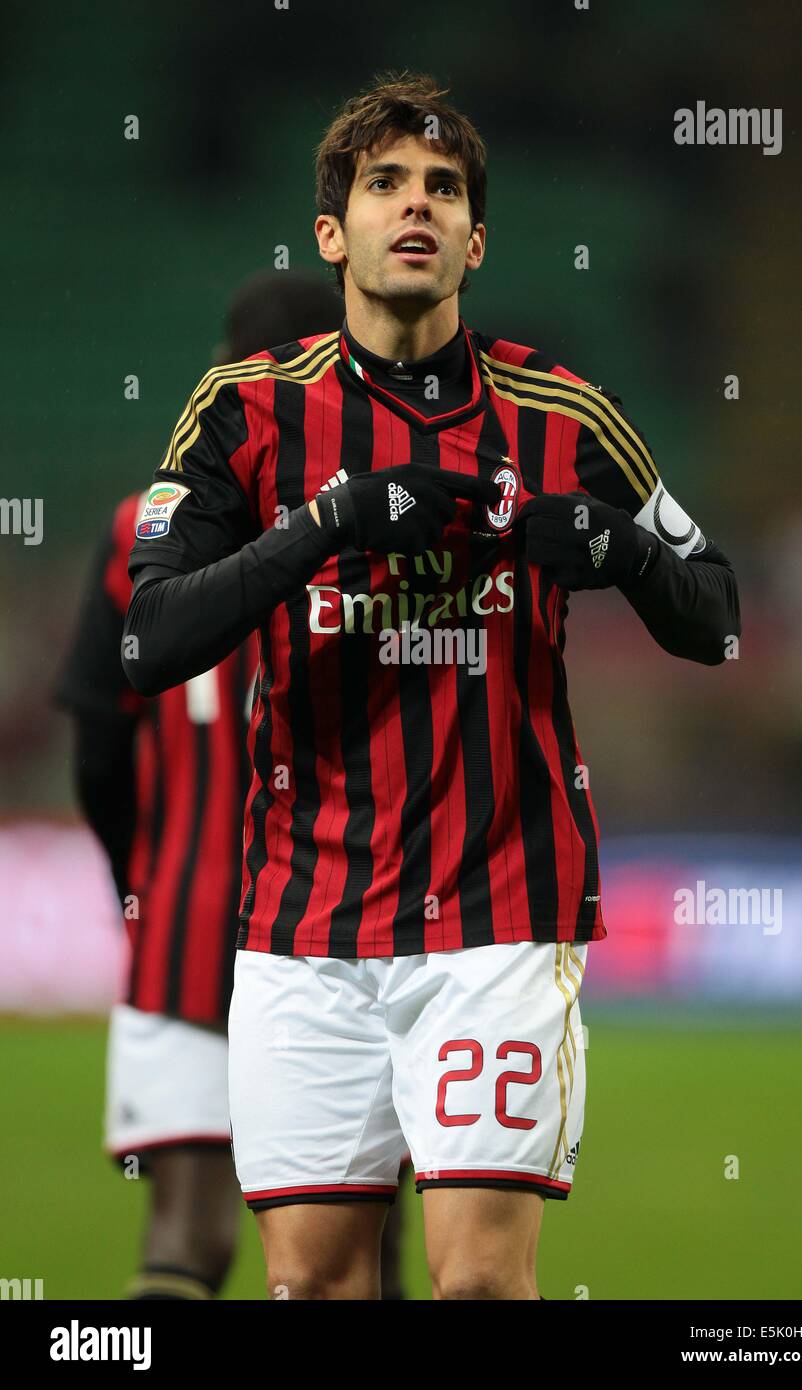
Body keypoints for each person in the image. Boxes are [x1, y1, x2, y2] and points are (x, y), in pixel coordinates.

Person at [121, 73, 740, 1300]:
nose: (417, 206)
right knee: (315, 1285)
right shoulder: (246, 412)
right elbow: (147, 641)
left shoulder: (563, 415)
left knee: (473, 1286)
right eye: (385, 184)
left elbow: (713, 615)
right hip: (303, 925)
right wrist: (320, 528)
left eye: (443, 189)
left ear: (475, 238)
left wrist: (617, 551)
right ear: (331, 232)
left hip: (499, 913)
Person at [54, 271, 405, 1299]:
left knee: (184, 1238)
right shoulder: (365, 537)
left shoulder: (137, 530)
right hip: (337, 917)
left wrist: (142, 879)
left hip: (181, 919)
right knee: (354, 1248)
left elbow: (93, 741)